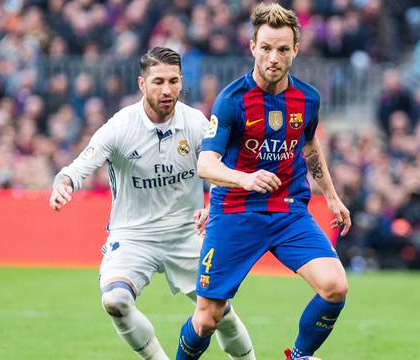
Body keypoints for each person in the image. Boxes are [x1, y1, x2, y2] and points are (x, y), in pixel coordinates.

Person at [49, 47, 255, 360]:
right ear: (142, 84)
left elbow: (220, 171)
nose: (167, 89)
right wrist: (62, 185)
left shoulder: (196, 123)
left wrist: (213, 203)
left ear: (182, 81)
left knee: (219, 314)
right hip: (133, 235)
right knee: (115, 300)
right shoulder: (120, 126)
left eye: (173, 81)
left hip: (187, 232)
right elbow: (77, 168)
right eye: (158, 81)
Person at [175, 4, 351, 360]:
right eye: (267, 47)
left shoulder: (307, 99)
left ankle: (299, 356)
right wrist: (245, 179)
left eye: (283, 49)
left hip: (288, 212)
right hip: (236, 211)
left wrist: (332, 197)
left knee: (335, 286)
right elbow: (206, 164)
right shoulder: (231, 100)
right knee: (208, 319)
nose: (274, 57)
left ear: (295, 50)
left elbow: (309, 143)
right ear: (252, 46)